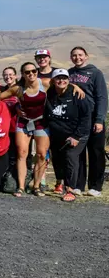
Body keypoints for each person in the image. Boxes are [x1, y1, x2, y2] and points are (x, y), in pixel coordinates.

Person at [0, 62, 51, 197]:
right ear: (22, 74)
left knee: (41, 154)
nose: (31, 74)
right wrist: (16, 107)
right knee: (22, 153)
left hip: (41, 121)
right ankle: (21, 187)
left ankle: (36, 186)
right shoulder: (17, 89)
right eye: (27, 72)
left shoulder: (45, 83)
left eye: (34, 71)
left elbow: (65, 85)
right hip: (24, 123)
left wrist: (77, 88)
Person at [46, 69, 92, 202]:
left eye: (64, 78)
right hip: (57, 135)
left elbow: (86, 117)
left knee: (70, 156)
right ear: (53, 81)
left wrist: (76, 136)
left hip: (77, 134)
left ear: (68, 80)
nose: (61, 81)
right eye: (58, 78)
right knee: (57, 158)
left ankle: (71, 189)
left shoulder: (76, 94)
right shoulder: (50, 93)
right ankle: (59, 182)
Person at [68, 46, 107, 197]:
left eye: (80, 55)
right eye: (74, 55)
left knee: (96, 152)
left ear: (86, 56)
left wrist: (99, 119)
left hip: (93, 118)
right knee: (78, 153)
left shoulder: (95, 73)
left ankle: (95, 186)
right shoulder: (69, 73)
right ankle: (78, 184)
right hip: (77, 121)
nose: (77, 57)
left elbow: (102, 97)